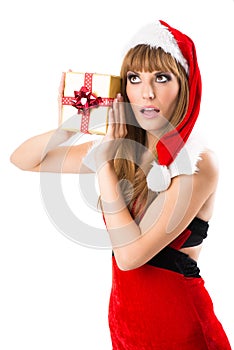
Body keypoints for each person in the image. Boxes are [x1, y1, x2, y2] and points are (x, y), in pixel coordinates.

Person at [10, 20, 232, 349]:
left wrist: (103, 165)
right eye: (134, 77)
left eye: (161, 77)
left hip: (182, 331)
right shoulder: (122, 151)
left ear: (183, 85)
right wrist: (75, 124)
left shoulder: (197, 164)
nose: (147, 92)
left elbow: (130, 257)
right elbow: (23, 159)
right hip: (126, 328)